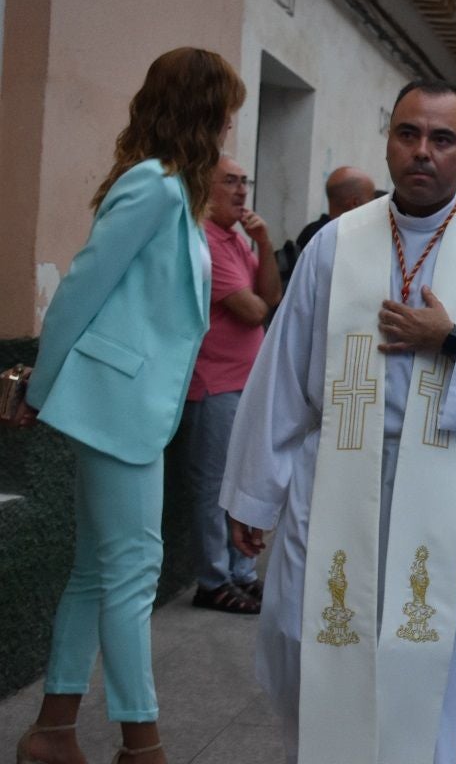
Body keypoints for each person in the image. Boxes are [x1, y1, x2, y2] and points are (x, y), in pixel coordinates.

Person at [217, 80, 456, 764]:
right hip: (336, 479)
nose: (422, 152)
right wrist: (257, 493)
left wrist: (454, 339)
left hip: (446, 484)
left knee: (422, 667)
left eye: (441, 140)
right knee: (311, 652)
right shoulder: (336, 244)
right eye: (408, 134)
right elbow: (285, 373)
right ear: (388, 141)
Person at [8, 47, 245, 764]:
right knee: (136, 569)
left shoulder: (175, 192)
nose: (231, 126)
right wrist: (39, 388)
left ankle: (52, 730)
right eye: (226, 112)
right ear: (202, 112)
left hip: (131, 405)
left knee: (96, 568)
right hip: (113, 405)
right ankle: (142, 743)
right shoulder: (153, 185)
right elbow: (83, 284)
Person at [185, 155, 281, 616]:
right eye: (230, 181)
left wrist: (262, 241)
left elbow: (273, 296)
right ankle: (213, 580)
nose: (241, 190)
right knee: (213, 487)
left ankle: (243, 574)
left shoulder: (238, 239)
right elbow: (254, 310)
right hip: (215, 383)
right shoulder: (206, 238)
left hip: (246, 381)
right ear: (206, 185)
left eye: (245, 181)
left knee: (244, 480)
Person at [295, 166, 377, 252]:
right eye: (371, 199)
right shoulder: (353, 240)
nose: (375, 205)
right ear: (355, 203)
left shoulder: (311, 235)